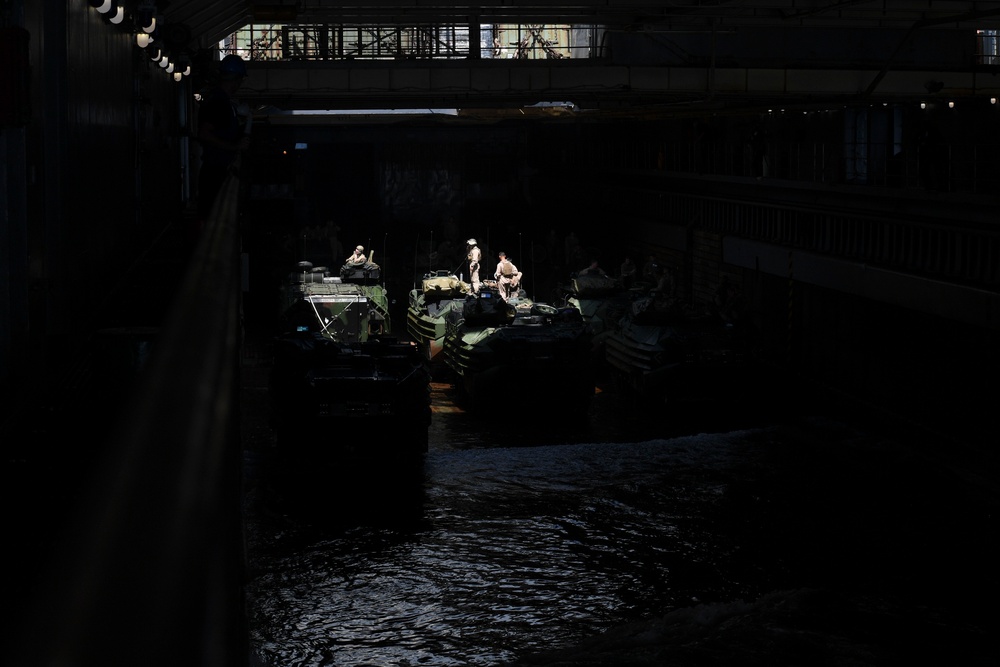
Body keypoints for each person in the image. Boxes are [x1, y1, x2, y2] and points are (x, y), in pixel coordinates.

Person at [196, 54, 250, 229]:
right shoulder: (219, 103)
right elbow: (204, 133)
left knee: (213, 217)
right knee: (215, 218)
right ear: (236, 79)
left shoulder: (222, 102)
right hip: (216, 171)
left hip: (216, 169)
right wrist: (234, 146)